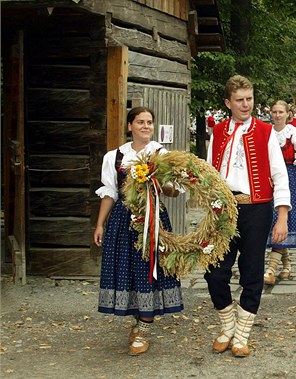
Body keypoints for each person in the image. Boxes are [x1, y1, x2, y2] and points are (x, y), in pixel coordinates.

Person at [205, 75, 290, 358]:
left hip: (257, 208)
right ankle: (228, 323)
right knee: (215, 271)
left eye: (249, 99)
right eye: (240, 100)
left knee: (252, 273)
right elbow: (208, 174)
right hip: (224, 209)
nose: (246, 105)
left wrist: (282, 217)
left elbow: (279, 176)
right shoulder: (217, 131)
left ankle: (242, 335)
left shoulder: (265, 131)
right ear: (228, 103)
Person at [94, 106, 184, 356]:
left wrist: (171, 186)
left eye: (150, 122)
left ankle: (144, 329)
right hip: (123, 220)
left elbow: (172, 189)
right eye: (141, 122)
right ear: (130, 126)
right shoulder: (114, 156)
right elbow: (110, 192)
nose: (146, 126)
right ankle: (138, 320)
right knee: (128, 269)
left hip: (153, 218)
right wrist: (100, 223)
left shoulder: (160, 153)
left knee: (149, 270)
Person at [264, 100, 296, 285]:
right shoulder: (266, 132)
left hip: (290, 178)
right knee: (272, 221)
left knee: (284, 219)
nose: (277, 115)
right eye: (275, 112)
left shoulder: (295, 134)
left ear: (288, 114)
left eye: (281, 112)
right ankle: (286, 264)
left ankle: (270, 269)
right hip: (270, 180)